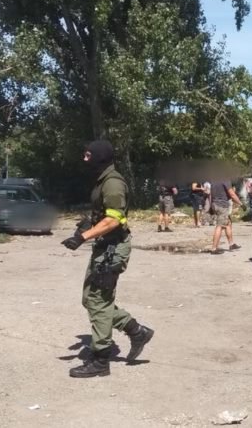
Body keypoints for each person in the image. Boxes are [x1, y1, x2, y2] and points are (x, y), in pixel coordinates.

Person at [61, 140, 153, 378]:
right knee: (90, 299)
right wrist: (88, 224)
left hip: (112, 249)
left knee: (99, 301)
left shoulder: (112, 183)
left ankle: (101, 360)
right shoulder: (103, 180)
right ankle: (136, 330)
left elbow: (114, 219)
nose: (84, 159)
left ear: (100, 158)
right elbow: (104, 216)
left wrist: (83, 237)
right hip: (104, 247)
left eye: (88, 155)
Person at [210, 178, 246, 255]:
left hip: (215, 204)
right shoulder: (225, 180)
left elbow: (210, 194)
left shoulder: (213, 180)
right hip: (222, 205)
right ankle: (214, 248)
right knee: (220, 226)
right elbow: (232, 194)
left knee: (228, 223)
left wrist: (211, 205)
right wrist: (241, 204)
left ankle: (231, 244)